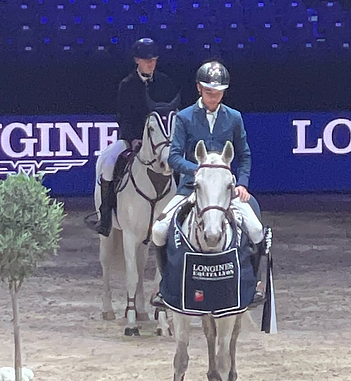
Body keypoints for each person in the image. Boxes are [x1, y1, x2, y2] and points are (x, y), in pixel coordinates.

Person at [151, 60, 266, 307]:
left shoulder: (234, 118)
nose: (214, 97)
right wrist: (200, 172)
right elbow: (174, 156)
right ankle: (164, 286)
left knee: (256, 230)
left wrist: (242, 184)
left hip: (226, 190)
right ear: (199, 89)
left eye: (218, 92)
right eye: (209, 92)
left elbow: (244, 154)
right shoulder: (184, 118)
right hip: (192, 188)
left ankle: (254, 284)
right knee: (159, 231)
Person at [96, 38, 179, 236]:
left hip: (160, 141)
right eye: (146, 60)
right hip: (131, 139)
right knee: (108, 163)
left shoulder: (165, 83)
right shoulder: (127, 85)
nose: (151, 63)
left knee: (182, 165)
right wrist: (133, 138)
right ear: (137, 60)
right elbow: (123, 116)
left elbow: (172, 113)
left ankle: (182, 217)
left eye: (153, 60)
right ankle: (106, 216)